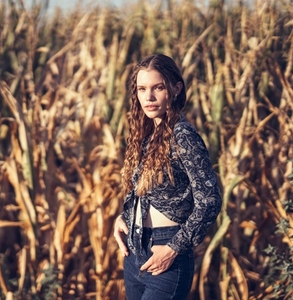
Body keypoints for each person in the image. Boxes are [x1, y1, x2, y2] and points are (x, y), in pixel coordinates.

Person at [113, 54, 222, 299]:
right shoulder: (148, 133)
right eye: (142, 89)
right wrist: (124, 216)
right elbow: (143, 190)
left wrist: (174, 248)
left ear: (175, 88)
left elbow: (209, 200)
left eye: (157, 88)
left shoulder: (182, 135)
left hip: (166, 251)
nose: (148, 97)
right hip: (134, 251)